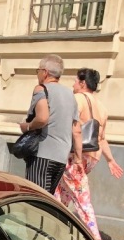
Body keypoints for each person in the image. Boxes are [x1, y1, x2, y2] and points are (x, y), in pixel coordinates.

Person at [55, 67, 124, 240]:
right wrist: (110, 160)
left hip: (75, 156)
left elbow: (71, 126)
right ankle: (54, 230)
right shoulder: (101, 107)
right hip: (92, 157)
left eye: (75, 81)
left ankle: (95, 239)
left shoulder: (78, 99)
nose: (73, 84)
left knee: (81, 197)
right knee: (61, 194)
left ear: (83, 83)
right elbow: (101, 138)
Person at [18, 55, 79, 195]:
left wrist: (26, 127)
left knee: (36, 199)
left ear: (45, 72)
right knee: (47, 201)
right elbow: (76, 129)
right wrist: (78, 158)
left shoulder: (41, 89)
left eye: (38, 70)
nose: (37, 74)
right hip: (61, 157)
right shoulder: (70, 94)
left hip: (43, 153)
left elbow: (42, 118)